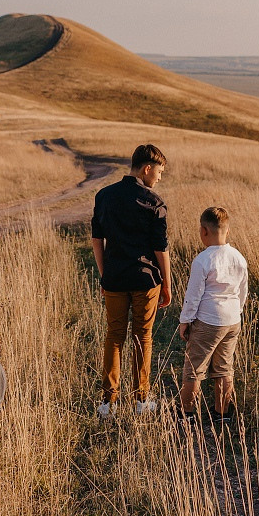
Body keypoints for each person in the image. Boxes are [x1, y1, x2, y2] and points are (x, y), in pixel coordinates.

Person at [91, 143, 171, 416]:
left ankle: (108, 403)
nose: (159, 177)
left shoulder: (104, 196)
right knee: (142, 337)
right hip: (146, 280)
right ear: (147, 168)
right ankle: (141, 400)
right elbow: (161, 249)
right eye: (159, 172)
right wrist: (167, 284)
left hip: (114, 278)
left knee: (114, 336)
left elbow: (97, 240)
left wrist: (105, 275)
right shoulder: (155, 202)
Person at [178, 206, 248, 424]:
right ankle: (222, 413)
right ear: (227, 231)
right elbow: (243, 291)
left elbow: (193, 295)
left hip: (208, 320)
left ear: (203, 231)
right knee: (224, 368)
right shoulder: (238, 257)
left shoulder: (203, 260)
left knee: (194, 368)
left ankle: (186, 414)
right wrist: (237, 311)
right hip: (232, 319)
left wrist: (185, 321)